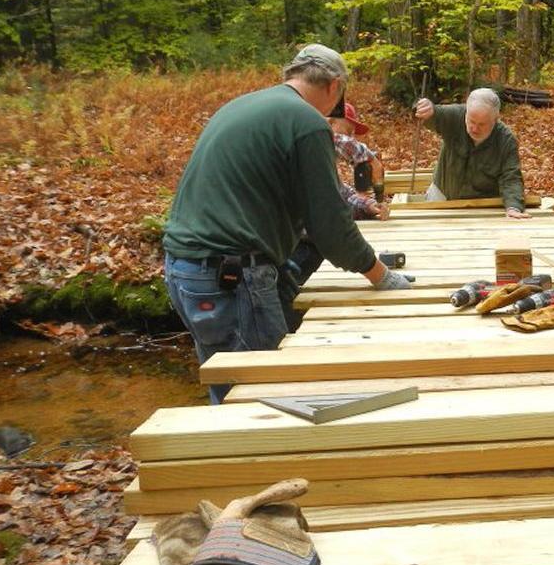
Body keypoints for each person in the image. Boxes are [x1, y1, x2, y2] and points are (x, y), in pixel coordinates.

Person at [163, 43, 410, 404]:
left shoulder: (243, 105)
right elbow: (330, 224)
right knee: (265, 399)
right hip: (232, 275)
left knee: (231, 389)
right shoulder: (306, 122)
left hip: (187, 270)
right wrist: (381, 276)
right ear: (334, 86)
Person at [413, 88, 531, 219]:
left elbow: (511, 177)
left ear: (495, 119)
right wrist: (426, 108)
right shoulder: (455, 116)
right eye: (471, 121)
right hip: (442, 195)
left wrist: (513, 207)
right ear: (466, 111)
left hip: (481, 205)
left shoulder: (506, 140)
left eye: (482, 124)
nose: (474, 129)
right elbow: (433, 115)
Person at [329, 100, 389, 222]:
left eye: (352, 135)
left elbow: (342, 194)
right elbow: (335, 139)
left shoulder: (326, 167)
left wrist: (369, 205)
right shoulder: (317, 139)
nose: (350, 138)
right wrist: (372, 160)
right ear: (330, 122)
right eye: (347, 132)